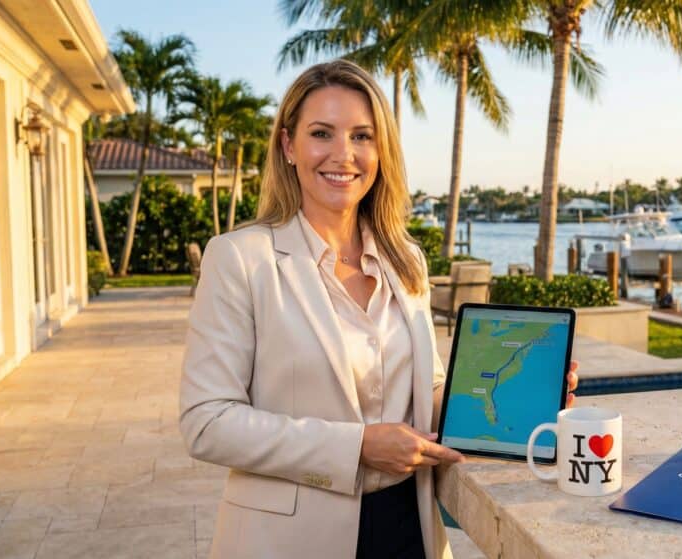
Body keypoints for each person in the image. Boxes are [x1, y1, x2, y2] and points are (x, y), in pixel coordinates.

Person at [179, 59, 579, 559]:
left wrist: (524, 400)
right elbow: (207, 422)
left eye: (362, 136)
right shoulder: (240, 258)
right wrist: (359, 446)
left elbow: (427, 388)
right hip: (287, 541)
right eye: (322, 133)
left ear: (381, 150)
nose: (343, 154)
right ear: (288, 146)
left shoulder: (403, 257)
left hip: (410, 529)